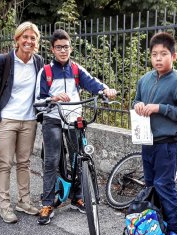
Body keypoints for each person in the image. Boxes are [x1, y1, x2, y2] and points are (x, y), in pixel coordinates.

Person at [35, 29, 117, 225]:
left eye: (66, 47)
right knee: (52, 160)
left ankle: (78, 196)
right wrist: (52, 99)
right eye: (59, 47)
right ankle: (47, 203)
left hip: (73, 118)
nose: (63, 51)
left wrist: (106, 90)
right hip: (53, 118)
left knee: (78, 158)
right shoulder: (45, 71)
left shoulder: (76, 69)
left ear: (71, 48)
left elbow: (94, 84)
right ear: (52, 49)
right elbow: (38, 100)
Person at [133, 32, 177, 235]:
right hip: (147, 141)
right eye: (154, 54)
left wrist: (160, 108)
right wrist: (139, 105)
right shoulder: (145, 79)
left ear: (174, 56)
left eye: (164, 54)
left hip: (168, 144)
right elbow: (136, 100)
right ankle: (158, 227)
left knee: (164, 186)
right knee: (151, 184)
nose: (158, 59)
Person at [0, 22, 44, 223]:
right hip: (7, 119)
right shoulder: (3, 60)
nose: (28, 41)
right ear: (17, 39)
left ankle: (24, 201)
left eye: (32, 38)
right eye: (25, 37)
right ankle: (5, 206)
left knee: (24, 163)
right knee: (4, 163)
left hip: (29, 119)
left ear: (36, 41)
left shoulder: (38, 62)